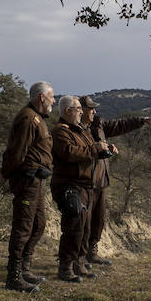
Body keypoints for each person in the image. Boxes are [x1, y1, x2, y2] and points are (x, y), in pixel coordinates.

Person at [79, 95, 151, 267]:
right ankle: (79, 257)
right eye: (91, 108)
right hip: (84, 182)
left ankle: (91, 253)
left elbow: (120, 125)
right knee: (83, 222)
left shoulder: (97, 125)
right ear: (81, 109)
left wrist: (142, 120)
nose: (94, 111)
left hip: (100, 181)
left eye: (94, 108)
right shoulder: (76, 129)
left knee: (98, 220)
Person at [0, 81, 55, 292]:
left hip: (35, 179)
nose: (53, 100)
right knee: (23, 227)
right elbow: (17, 151)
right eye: (51, 96)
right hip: (26, 179)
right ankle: (13, 277)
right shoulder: (28, 118)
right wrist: (9, 175)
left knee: (38, 225)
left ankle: (24, 269)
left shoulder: (37, 118)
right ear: (41, 97)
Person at [49, 95, 111, 282]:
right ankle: (66, 268)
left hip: (85, 186)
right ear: (68, 111)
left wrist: (101, 149)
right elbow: (69, 153)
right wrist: (95, 149)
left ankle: (79, 263)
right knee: (74, 227)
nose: (81, 112)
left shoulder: (80, 130)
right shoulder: (61, 131)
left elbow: (87, 151)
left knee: (84, 228)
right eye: (78, 109)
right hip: (70, 185)